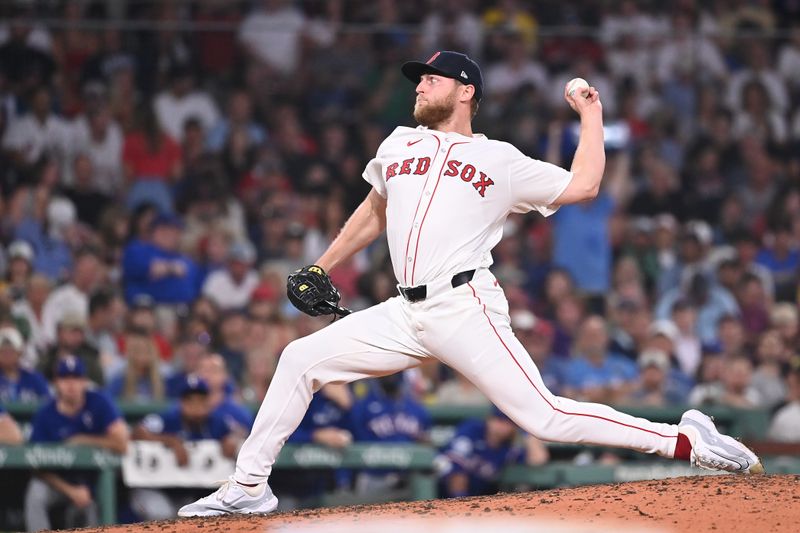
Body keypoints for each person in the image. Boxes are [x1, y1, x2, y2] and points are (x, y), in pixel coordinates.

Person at [179, 50, 762, 517]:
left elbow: (583, 185)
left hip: (465, 305)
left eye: (432, 79)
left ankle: (685, 440)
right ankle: (249, 486)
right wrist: (322, 264)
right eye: (419, 80)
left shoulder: (500, 160)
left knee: (545, 418)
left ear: (466, 93)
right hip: (403, 313)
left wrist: (591, 115)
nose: (420, 86)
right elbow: (374, 210)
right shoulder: (397, 143)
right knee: (298, 359)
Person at [24, 356, 129, 531]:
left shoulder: (99, 401)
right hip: (59, 483)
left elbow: (122, 443)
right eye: (65, 379)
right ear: (56, 382)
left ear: (84, 381)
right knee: (36, 491)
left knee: (99, 501)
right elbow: (35, 466)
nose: (71, 384)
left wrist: (82, 440)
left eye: (76, 378)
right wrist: (70, 490)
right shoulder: (45, 414)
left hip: (96, 482)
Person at [130, 375, 237, 520]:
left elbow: (238, 432)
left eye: (200, 400)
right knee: (160, 513)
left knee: (203, 514)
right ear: (181, 402)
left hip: (192, 491)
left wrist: (231, 438)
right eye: (190, 400)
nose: (195, 405)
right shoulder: (168, 419)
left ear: (207, 402)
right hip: (157, 488)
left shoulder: (216, 421)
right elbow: (138, 432)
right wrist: (171, 441)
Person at [436, 405, 525, 497]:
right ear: (489, 419)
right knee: (451, 467)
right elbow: (456, 468)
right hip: (440, 490)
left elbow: (533, 462)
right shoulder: (472, 429)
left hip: (475, 498)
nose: (503, 427)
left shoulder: (511, 449)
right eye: (500, 420)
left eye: (509, 423)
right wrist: (461, 499)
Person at [0, 326, 50, 403]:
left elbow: (48, 402)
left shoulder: (34, 378)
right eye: (3, 351)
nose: (7, 355)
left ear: (20, 352)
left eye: (11, 351)